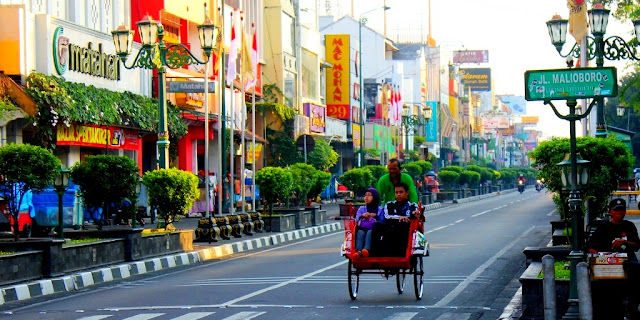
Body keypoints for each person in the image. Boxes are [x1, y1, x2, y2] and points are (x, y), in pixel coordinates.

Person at [587, 198, 640, 319]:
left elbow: (637, 245)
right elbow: (590, 247)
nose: (619, 213)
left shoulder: (629, 226)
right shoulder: (603, 227)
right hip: (608, 265)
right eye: (616, 211)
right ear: (610, 212)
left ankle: (633, 308)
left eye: (622, 210)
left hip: (628, 263)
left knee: (636, 272)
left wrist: (625, 242)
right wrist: (602, 257)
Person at [377, 182, 421, 257]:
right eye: (396, 192)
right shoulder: (389, 205)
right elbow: (387, 217)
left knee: (403, 224)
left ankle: (402, 253)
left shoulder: (413, 206)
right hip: (390, 228)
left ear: (407, 193)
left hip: (405, 232)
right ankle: (376, 252)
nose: (398, 194)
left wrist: (413, 215)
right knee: (377, 225)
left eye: (401, 192)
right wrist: (400, 217)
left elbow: (417, 215)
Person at [352, 188, 384, 258]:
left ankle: (366, 250)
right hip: (362, 228)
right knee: (360, 232)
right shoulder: (361, 208)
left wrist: (376, 216)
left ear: (374, 197)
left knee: (370, 232)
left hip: (375, 231)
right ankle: (359, 251)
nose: (366, 197)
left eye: (369, 195)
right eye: (365, 195)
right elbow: (356, 220)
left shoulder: (380, 209)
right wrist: (362, 216)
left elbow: (383, 221)